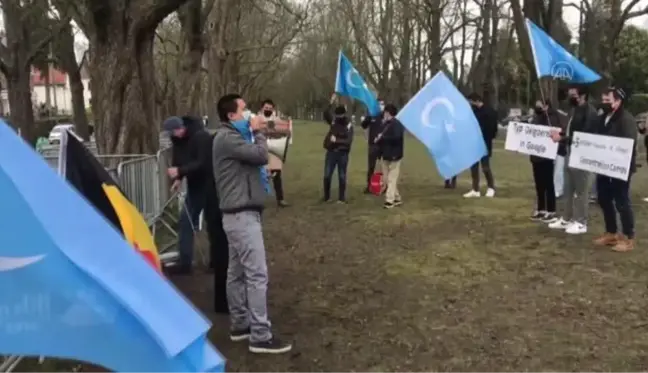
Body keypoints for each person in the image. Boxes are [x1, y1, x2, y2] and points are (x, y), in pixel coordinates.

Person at [212, 93, 292, 354]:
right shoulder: (228, 138)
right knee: (257, 274)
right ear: (231, 115)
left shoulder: (231, 137)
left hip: (238, 215)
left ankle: (240, 325)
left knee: (236, 274)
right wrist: (258, 131)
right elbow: (260, 155)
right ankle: (260, 334)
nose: (250, 115)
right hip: (241, 216)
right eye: (245, 111)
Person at [164, 115, 214, 275]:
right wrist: (178, 178)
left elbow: (202, 163)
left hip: (211, 184)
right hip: (194, 186)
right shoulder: (177, 141)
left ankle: (217, 261)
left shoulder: (201, 137)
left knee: (213, 223)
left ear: (181, 128)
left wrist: (180, 171)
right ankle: (185, 263)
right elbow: (179, 160)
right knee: (185, 222)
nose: (173, 136)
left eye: (174, 132)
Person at [591, 87, 637, 252]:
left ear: (618, 101)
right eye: (603, 100)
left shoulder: (626, 120)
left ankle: (628, 237)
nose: (603, 103)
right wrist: (565, 139)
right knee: (603, 198)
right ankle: (611, 232)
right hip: (603, 166)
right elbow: (588, 137)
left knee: (622, 201)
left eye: (607, 101)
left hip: (620, 168)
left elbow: (627, 146)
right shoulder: (602, 118)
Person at [547, 86, 597, 234]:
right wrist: (560, 133)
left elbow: (584, 136)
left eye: (573, 95)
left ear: (583, 96)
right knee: (568, 188)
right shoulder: (574, 110)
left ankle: (582, 222)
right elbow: (569, 129)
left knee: (581, 190)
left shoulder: (590, 113)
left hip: (582, 155)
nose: (571, 97)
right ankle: (566, 218)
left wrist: (561, 138)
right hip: (569, 152)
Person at [529, 100, 561, 222]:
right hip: (535, 156)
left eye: (540, 105)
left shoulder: (551, 116)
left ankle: (551, 210)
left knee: (548, 184)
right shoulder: (536, 117)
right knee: (539, 184)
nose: (537, 107)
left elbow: (554, 131)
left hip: (546, 156)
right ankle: (541, 208)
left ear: (546, 106)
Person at [463, 93, 498, 198]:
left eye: (472, 102)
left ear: (477, 100)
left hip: (485, 144)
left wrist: (484, 135)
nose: (471, 104)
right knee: (473, 167)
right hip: (473, 144)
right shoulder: (473, 112)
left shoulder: (489, 111)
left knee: (485, 167)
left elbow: (493, 130)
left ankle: (491, 188)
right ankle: (475, 189)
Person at [258, 99, 291, 207]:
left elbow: (285, 131)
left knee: (277, 175)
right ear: (262, 108)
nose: (268, 110)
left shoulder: (277, 120)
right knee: (261, 175)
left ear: (273, 109)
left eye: (270, 108)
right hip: (260, 150)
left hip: (274, 150)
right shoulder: (256, 119)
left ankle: (280, 199)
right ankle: (258, 199)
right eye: (266, 108)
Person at [375, 103, 404, 209]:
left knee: (392, 178)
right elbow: (382, 138)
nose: (384, 114)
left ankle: (389, 200)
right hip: (385, 155)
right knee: (387, 179)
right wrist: (378, 141)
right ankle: (397, 198)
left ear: (388, 113)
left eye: (385, 112)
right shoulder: (385, 124)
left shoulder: (397, 124)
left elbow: (396, 138)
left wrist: (383, 138)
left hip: (394, 155)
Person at [322, 103, 353, 203]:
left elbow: (348, 141)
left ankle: (341, 198)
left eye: (339, 115)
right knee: (327, 175)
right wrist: (330, 103)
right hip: (331, 153)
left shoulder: (348, 125)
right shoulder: (333, 122)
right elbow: (326, 113)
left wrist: (337, 141)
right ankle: (326, 197)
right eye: (336, 115)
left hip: (342, 154)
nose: (338, 117)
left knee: (342, 175)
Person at [361, 98, 385, 193]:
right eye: (379, 104)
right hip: (373, 145)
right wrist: (369, 117)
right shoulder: (372, 116)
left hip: (384, 145)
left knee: (384, 167)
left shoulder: (385, 116)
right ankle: (369, 186)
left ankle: (384, 185)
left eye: (382, 104)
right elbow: (363, 125)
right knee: (371, 166)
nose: (380, 106)